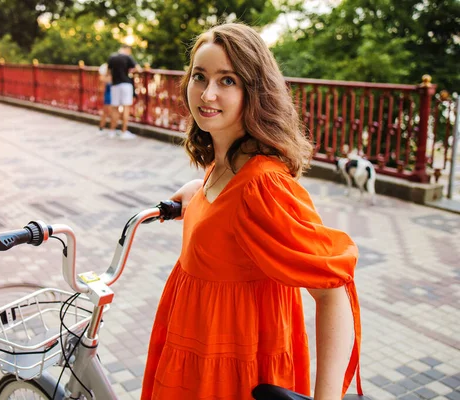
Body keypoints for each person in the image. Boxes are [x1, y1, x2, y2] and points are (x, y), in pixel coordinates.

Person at [141, 23, 363, 400]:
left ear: (254, 91)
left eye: (227, 80)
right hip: (197, 350)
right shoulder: (224, 165)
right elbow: (231, 223)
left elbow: (332, 292)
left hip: (229, 369)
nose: (207, 93)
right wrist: (198, 197)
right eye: (200, 76)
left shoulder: (263, 186)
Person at [107, 44, 139, 140]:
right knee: (126, 108)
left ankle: (112, 131)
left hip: (115, 85)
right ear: (127, 49)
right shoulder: (128, 57)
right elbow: (138, 68)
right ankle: (123, 132)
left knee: (115, 108)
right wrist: (129, 72)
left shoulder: (112, 57)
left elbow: (108, 72)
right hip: (126, 84)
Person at [97, 63, 113, 135]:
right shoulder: (107, 77)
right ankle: (108, 129)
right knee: (107, 111)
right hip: (109, 94)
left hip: (110, 94)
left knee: (108, 111)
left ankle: (105, 128)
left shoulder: (110, 76)